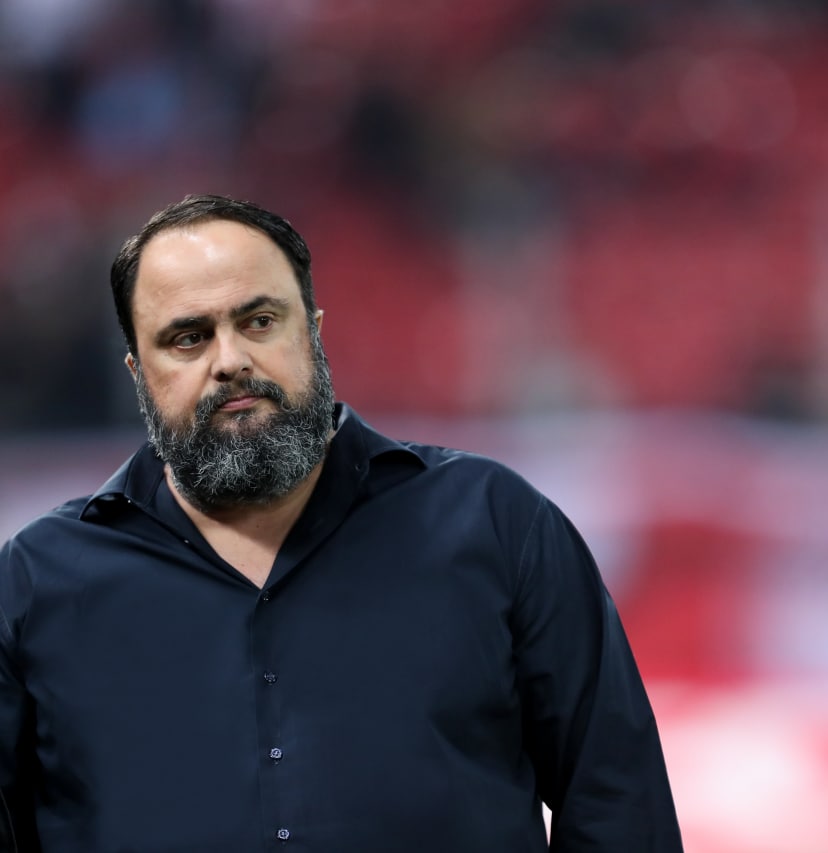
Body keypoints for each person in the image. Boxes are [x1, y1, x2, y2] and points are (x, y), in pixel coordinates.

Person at [0, 194, 683, 851]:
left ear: (314, 330)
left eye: (259, 321)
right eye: (187, 338)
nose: (230, 359)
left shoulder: (496, 525)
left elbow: (619, 807)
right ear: (137, 371)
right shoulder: (34, 585)